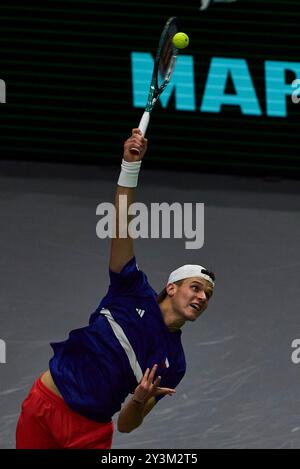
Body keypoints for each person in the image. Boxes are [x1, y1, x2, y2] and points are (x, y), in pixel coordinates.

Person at [16, 129, 215, 449]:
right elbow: (122, 226)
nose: (202, 297)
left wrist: (138, 400)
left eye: (208, 295)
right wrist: (129, 166)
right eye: (196, 287)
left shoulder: (174, 363)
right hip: (43, 404)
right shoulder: (130, 288)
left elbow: (126, 425)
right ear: (172, 288)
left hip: (89, 433)